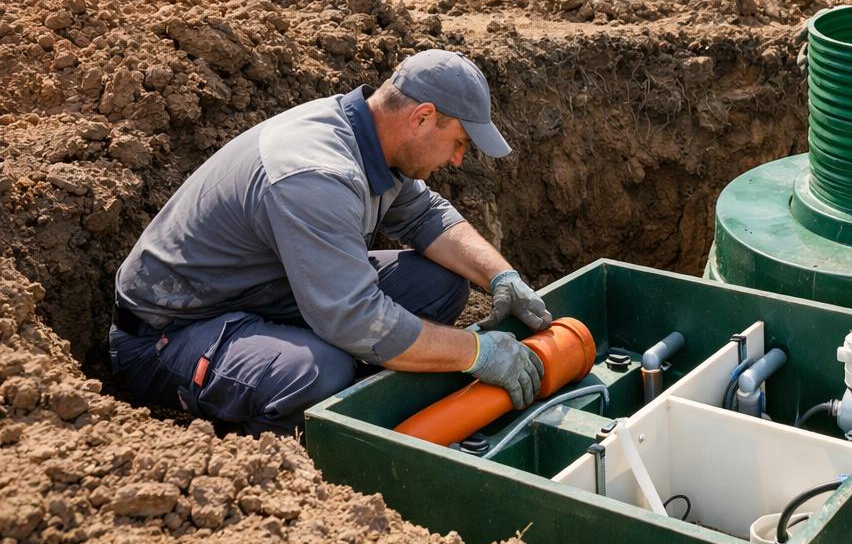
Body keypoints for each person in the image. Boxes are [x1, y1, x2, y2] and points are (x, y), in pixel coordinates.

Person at [109, 50, 552, 435]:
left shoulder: (372, 137)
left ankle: (363, 379)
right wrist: (477, 353)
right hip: (169, 335)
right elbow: (357, 318)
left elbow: (426, 216)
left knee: (442, 284)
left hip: (260, 292)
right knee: (320, 374)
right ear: (421, 118)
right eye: (458, 142)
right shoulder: (316, 175)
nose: (457, 159)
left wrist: (501, 276)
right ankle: (288, 459)